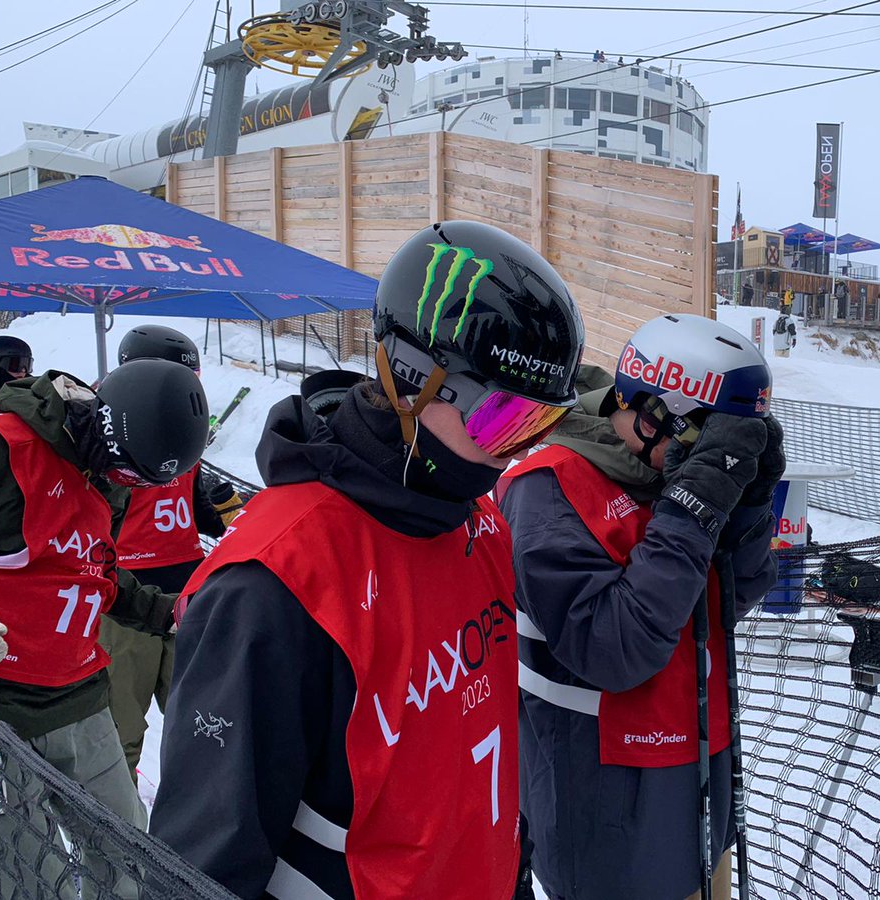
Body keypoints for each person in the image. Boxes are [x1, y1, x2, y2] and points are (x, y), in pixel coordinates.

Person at [149, 221, 586, 900]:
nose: (513, 455)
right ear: (412, 379)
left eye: (537, 428)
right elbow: (199, 868)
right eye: (502, 421)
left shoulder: (479, 522)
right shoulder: (274, 587)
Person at [496, 314, 785, 900]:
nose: (711, 455)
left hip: (698, 782)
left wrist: (746, 508)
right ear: (657, 414)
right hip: (610, 810)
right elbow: (613, 649)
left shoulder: (667, 476)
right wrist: (690, 512)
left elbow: (734, 599)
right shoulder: (547, 490)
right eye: (706, 436)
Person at [0, 359, 209, 895]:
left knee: (131, 864)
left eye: (139, 482)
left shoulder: (103, 474)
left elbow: (92, 572)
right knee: (22, 882)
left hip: (80, 699)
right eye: (126, 473)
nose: (126, 487)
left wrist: (168, 612)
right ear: (103, 424)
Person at [99, 324, 242, 785]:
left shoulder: (182, 426)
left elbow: (188, 509)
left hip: (189, 592)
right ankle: (116, 835)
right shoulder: (104, 430)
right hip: (128, 599)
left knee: (204, 724)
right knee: (122, 728)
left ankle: (198, 823)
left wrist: (225, 509)